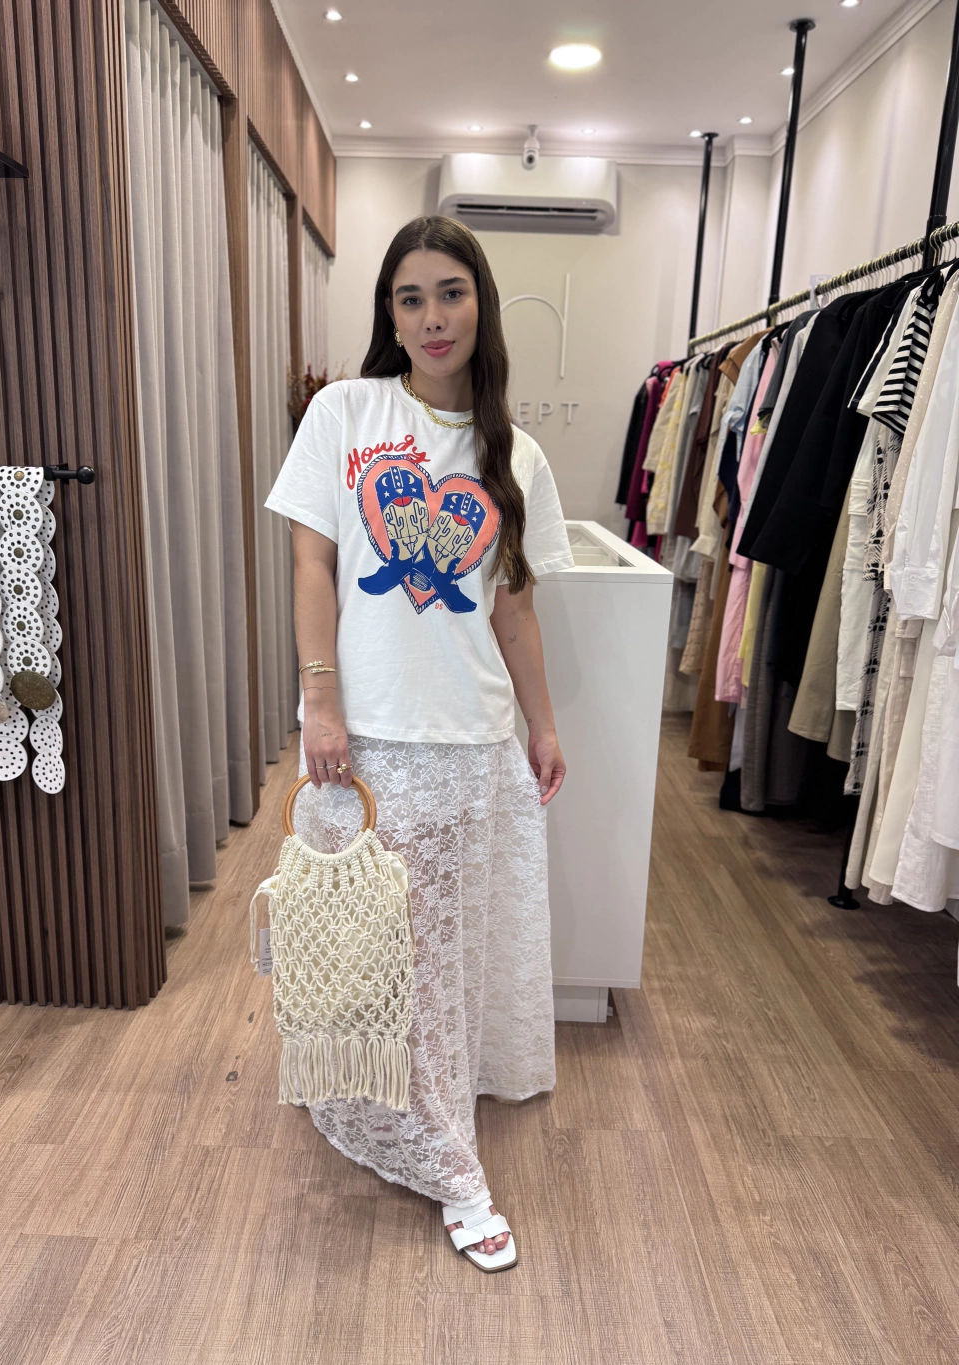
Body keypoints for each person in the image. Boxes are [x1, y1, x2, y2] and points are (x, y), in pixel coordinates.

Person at [265, 214, 573, 1273]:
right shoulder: (345, 413)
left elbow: (514, 609)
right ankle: (396, 1124)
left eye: (451, 292)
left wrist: (542, 724)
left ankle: (443, 1149)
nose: (433, 317)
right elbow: (312, 566)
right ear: (388, 316)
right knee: (366, 947)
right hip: (367, 739)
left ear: (480, 303)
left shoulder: (515, 453)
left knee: (436, 963)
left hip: (472, 742)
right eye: (410, 298)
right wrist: (320, 698)